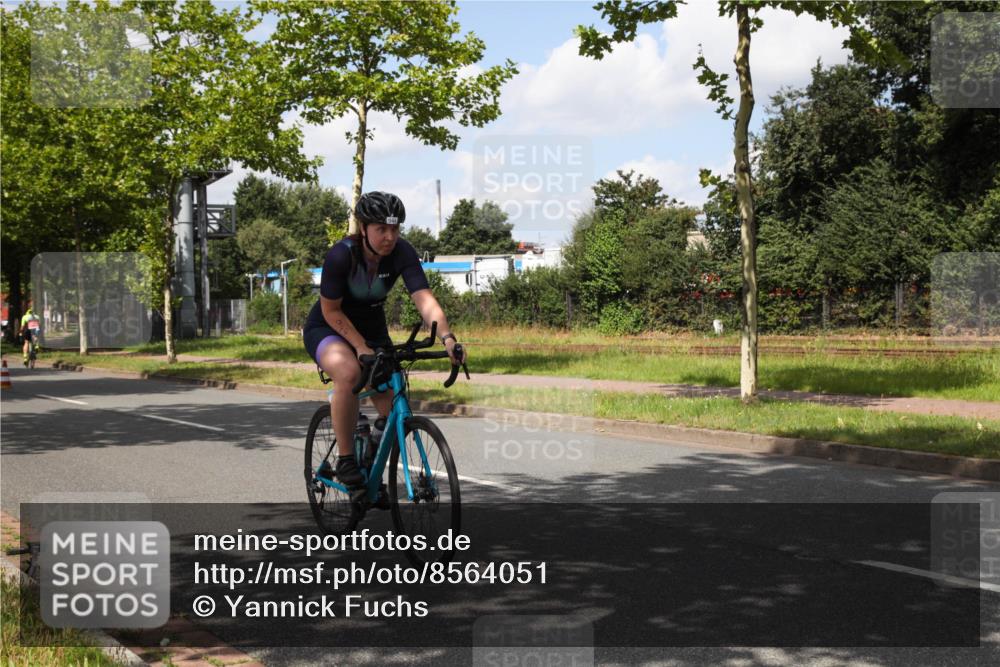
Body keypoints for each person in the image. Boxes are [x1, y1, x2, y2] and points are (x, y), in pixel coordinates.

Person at [302, 191, 466, 489]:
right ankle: (347, 458)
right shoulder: (341, 255)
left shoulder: (402, 252)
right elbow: (330, 309)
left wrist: (447, 337)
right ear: (363, 229)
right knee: (349, 371)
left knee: (392, 408)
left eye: (395, 229)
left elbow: (424, 299)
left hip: (372, 330)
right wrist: (360, 346)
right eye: (382, 229)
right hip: (328, 327)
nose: (390, 237)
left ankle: (370, 460)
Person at [20, 302, 41, 367]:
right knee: (36, 336)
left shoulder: (25, 317)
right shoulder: (37, 316)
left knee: (26, 342)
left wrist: (20, 333)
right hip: (36, 331)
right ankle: (37, 346)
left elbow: (22, 327)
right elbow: (39, 325)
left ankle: (25, 357)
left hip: (28, 331)